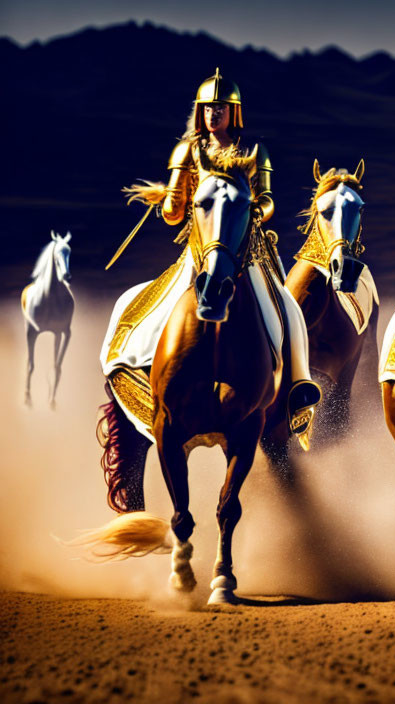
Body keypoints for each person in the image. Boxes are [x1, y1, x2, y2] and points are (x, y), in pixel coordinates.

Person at [101, 69, 320, 443]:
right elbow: (174, 210)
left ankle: (298, 386)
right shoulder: (186, 151)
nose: (213, 114)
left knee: (285, 306)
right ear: (199, 111)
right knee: (163, 302)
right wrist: (172, 201)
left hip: (244, 250)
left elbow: (267, 200)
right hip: (199, 247)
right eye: (207, 108)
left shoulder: (253, 150)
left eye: (220, 108)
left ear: (233, 112)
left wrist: (252, 208)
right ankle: (136, 363)